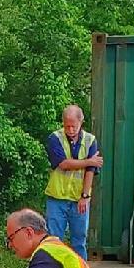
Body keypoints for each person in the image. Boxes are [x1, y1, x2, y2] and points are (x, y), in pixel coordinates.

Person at [44, 105, 102, 259]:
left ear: (81, 121)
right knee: (54, 240)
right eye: (66, 126)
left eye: (73, 126)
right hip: (56, 198)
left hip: (79, 199)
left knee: (79, 241)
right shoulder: (55, 138)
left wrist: (85, 196)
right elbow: (63, 164)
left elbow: (91, 171)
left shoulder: (91, 140)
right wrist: (90, 161)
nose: (70, 129)